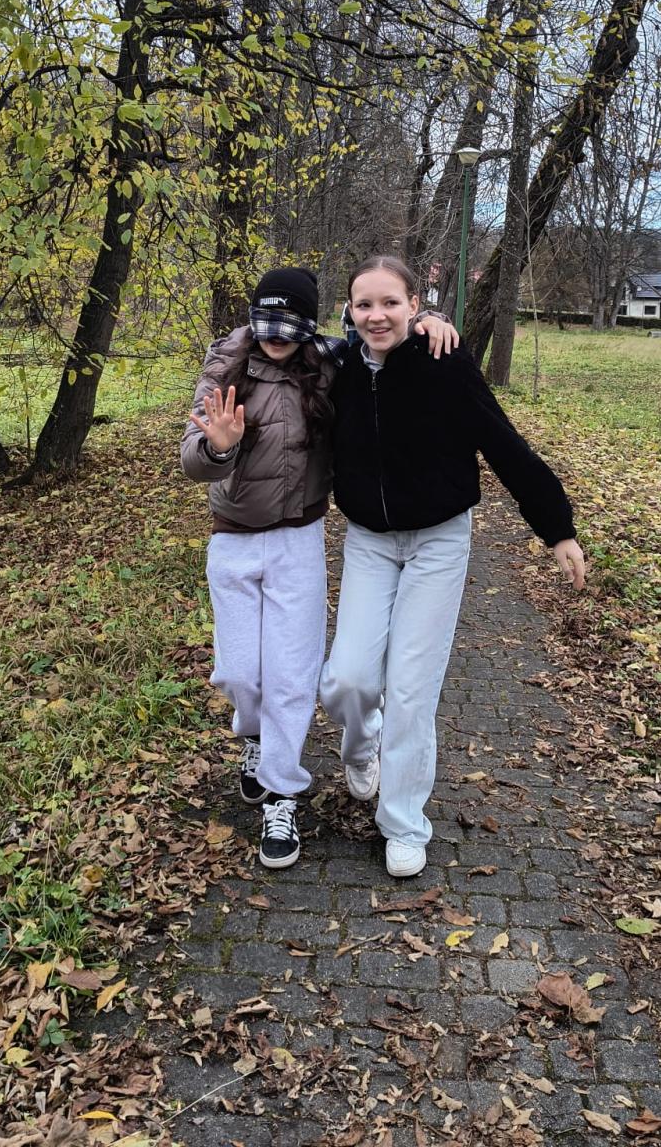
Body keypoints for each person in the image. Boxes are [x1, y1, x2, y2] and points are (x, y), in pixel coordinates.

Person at [180, 266, 457, 869]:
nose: (276, 336)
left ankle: (281, 793)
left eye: (290, 324)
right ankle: (255, 738)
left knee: (291, 678)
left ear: (309, 325)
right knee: (240, 675)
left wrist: (430, 320)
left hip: (299, 539)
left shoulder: (328, 361)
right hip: (232, 540)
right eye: (267, 322)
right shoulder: (226, 362)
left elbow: (382, 337)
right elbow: (193, 459)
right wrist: (219, 447)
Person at [319, 255, 585, 880]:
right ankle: (361, 746)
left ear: (415, 305)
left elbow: (503, 443)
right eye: (365, 304)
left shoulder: (446, 361)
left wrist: (556, 528)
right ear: (349, 310)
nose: (377, 315)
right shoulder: (338, 369)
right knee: (349, 679)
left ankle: (403, 822)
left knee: (412, 687)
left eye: (391, 302)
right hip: (369, 541)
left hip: (438, 541)